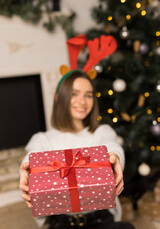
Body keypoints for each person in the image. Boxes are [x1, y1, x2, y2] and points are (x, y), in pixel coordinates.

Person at [19, 70, 135, 229]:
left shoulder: (101, 132)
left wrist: (115, 158)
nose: (82, 101)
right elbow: (32, 157)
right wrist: (26, 170)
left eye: (88, 95)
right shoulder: (43, 139)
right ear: (59, 98)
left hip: (101, 220)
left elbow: (111, 146)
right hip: (61, 223)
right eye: (74, 94)